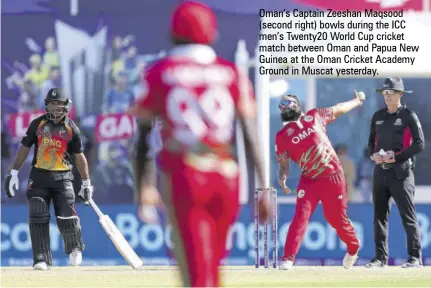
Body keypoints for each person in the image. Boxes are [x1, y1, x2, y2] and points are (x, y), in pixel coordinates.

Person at [128, 1, 270, 286]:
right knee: (212, 268)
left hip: (185, 173)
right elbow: (250, 134)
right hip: (227, 176)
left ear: (173, 33)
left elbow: (142, 136)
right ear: (212, 33)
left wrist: (144, 184)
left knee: (195, 271)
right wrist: (264, 187)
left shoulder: (160, 72)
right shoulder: (231, 73)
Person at [3, 88, 94, 271]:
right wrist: (13, 173)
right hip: (39, 177)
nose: (55, 108)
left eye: (59, 104)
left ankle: (74, 246)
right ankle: (41, 257)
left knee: (66, 216)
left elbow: (79, 157)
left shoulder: (71, 128)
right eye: (52, 104)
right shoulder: (37, 124)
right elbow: (24, 149)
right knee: (37, 214)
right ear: (47, 105)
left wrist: (86, 183)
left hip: (63, 178)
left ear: (65, 106)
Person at [275, 92, 364, 270]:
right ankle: (288, 259)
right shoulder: (282, 136)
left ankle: (353, 247)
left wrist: (357, 101)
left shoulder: (314, 116)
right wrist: (282, 176)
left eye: (288, 103)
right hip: (309, 180)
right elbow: (284, 164)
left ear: (297, 105)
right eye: (281, 105)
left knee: (335, 219)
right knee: (301, 217)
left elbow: (339, 108)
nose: (284, 107)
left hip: (332, 176)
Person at [366, 77, 425, 268]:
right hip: (380, 173)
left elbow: (419, 144)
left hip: (402, 173)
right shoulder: (377, 116)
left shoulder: (409, 115)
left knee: (408, 216)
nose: (387, 96)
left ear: (400, 94)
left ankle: (414, 258)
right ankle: (380, 258)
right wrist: (374, 156)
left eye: (391, 92)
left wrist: (396, 156)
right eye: (385, 93)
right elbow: (370, 144)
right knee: (379, 217)